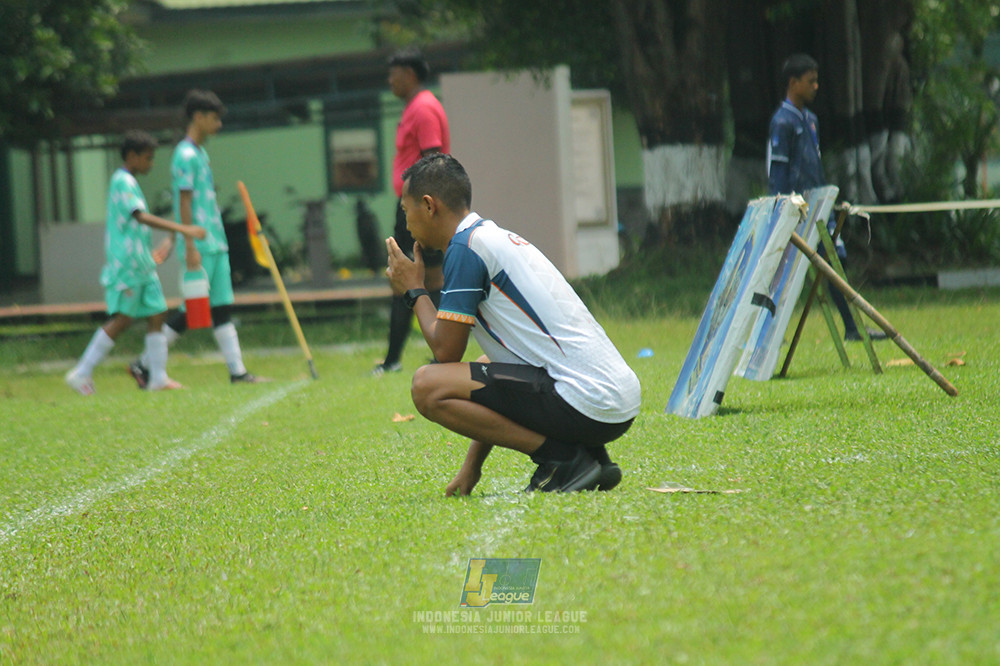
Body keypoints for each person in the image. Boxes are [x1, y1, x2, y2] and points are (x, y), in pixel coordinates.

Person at [385, 154, 641, 495]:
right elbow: (492, 373)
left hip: (586, 402)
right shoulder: (492, 237)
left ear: (429, 205)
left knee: (426, 385)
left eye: (406, 211)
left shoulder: (465, 249)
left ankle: (563, 458)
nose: (406, 224)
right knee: (482, 366)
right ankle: (589, 454)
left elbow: (445, 351)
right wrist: (470, 470)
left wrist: (415, 291)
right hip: (613, 402)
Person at [129, 89, 264, 387]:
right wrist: (188, 244)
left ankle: (238, 373)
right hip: (200, 245)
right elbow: (185, 202)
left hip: (215, 242)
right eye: (214, 119)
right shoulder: (185, 155)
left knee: (221, 307)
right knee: (193, 309)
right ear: (198, 117)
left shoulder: (201, 153)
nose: (219, 125)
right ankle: (143, 363)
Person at [65, 131, 207, 395]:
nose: (151, 164)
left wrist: (153, 250)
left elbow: (132, 225)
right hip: (127, 265)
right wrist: (183, 229)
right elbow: (139, 216)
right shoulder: (122, 181)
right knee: (123, 319)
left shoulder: (129, 181)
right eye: (147, 158)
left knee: (157, 313)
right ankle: (81, 371)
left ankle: (158, 378)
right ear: (132, 156)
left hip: (140, 263)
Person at [767, 53, 886, 342]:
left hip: (818, 208)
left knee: (836, 266)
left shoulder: (811, 120)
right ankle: (768, 336)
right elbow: (778, 170)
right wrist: (781, 210)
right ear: (793, 83)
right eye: (811, 81)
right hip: (796, 212)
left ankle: (853, 328)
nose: (816, 86)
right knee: (782, 275)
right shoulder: (782, 122)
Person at [372, 48, 450, 376]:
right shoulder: (413, 108)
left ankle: (409, 357)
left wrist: (422, 209)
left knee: (411, 276)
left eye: (395, 73)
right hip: (412, 204)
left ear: (411, 74)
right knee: (421, 277)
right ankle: (407, 357)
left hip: (418, 205)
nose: (390, 80)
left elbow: (433, 161)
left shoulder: (424, 108)